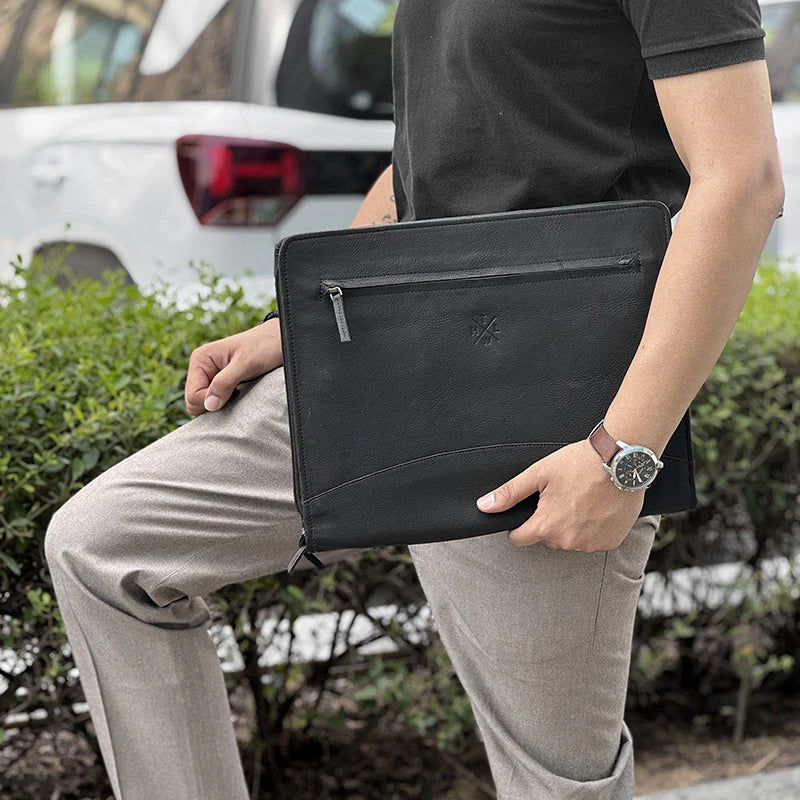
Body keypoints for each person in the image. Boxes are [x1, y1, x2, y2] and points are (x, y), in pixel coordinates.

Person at [44, 0, 783, 798]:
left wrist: (623, 455)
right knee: (104, 548)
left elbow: (742, 183)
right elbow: (435, 154)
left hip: (550, 412)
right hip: (386, 362)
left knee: (554, 782)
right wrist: (289, 329)